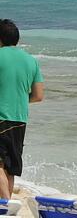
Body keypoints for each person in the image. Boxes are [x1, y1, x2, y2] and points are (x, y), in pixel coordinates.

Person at [0, 19, 44, 199]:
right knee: (9, 168)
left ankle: (7, 205)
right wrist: (16, 99)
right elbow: (38, 96)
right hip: (19, 120)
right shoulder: (31, 61)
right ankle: (4, 210)